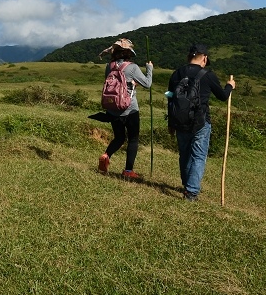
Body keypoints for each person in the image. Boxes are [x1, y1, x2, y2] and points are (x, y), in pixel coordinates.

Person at [167, 43, 235, 201]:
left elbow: (170, 100)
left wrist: (171, 123)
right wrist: (229, 86)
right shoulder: (207, 75)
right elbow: (223, 96)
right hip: (201, 122)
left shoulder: (176, 74)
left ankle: (187, 185)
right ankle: (191, 192)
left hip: (179, 121)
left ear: (188, 57)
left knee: (184, 154)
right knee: (198, 156)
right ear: (204, 58)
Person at [97, 38, 153, 180]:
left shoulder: (109, 66)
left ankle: (106, 155)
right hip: (130, 109)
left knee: (119, 137)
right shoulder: (132, 67)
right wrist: (149, 69)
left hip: (113, 108)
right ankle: (128, 170)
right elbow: (147, 84)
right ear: (129, 53)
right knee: (133, 139)